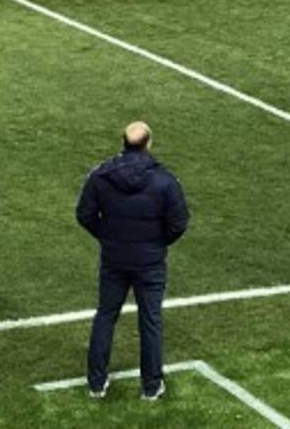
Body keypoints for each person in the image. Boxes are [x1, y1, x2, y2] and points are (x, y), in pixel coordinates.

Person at [76, 121, 189, 402]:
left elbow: (84, 214)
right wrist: (157, 242)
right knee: (150, 321)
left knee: (105, 316)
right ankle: (151, 386)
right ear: (149, 143)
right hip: (150, 262)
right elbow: (179, 222)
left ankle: (96, 384)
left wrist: (108, 237)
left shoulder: (101, 176)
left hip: (114, 259)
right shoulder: (164, 180)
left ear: (124, 142)